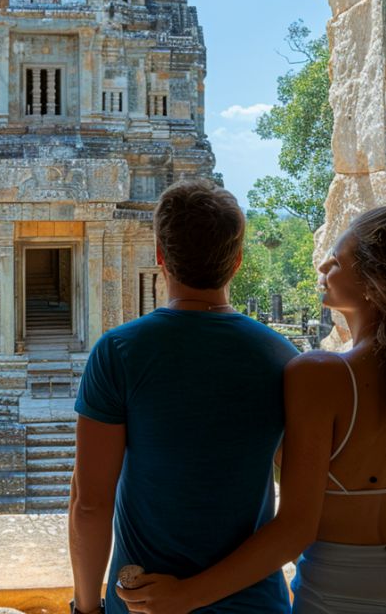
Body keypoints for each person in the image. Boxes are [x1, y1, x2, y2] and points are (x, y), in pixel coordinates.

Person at [115, 204, 386, 613]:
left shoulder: (321, 373)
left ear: (375, 282)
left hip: (339, 592)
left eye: (337, 261)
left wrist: (186, 596)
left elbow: (296, 529)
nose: (323, 267)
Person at [69, 179, 301, 614]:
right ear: (236, 262)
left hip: (140, 601)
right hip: (253, 603)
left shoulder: (119, 353)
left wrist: (86, 608)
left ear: (160, 256)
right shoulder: (283, 357)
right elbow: (299, 516)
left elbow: (90, 502)